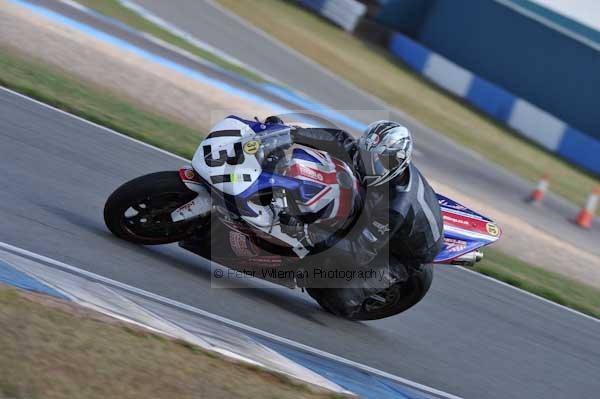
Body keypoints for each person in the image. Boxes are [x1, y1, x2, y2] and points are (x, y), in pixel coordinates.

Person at [277, 117, 444, 317]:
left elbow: (358, 251)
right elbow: (340, 140)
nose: (369, 165)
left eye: (378, 162)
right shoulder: (377, 160)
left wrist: (307, 231)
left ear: (397, 163)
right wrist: (288, 132)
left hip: (399, 253)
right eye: (367, 155)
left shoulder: (396, 208)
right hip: (379, 213)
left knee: (337, 298)